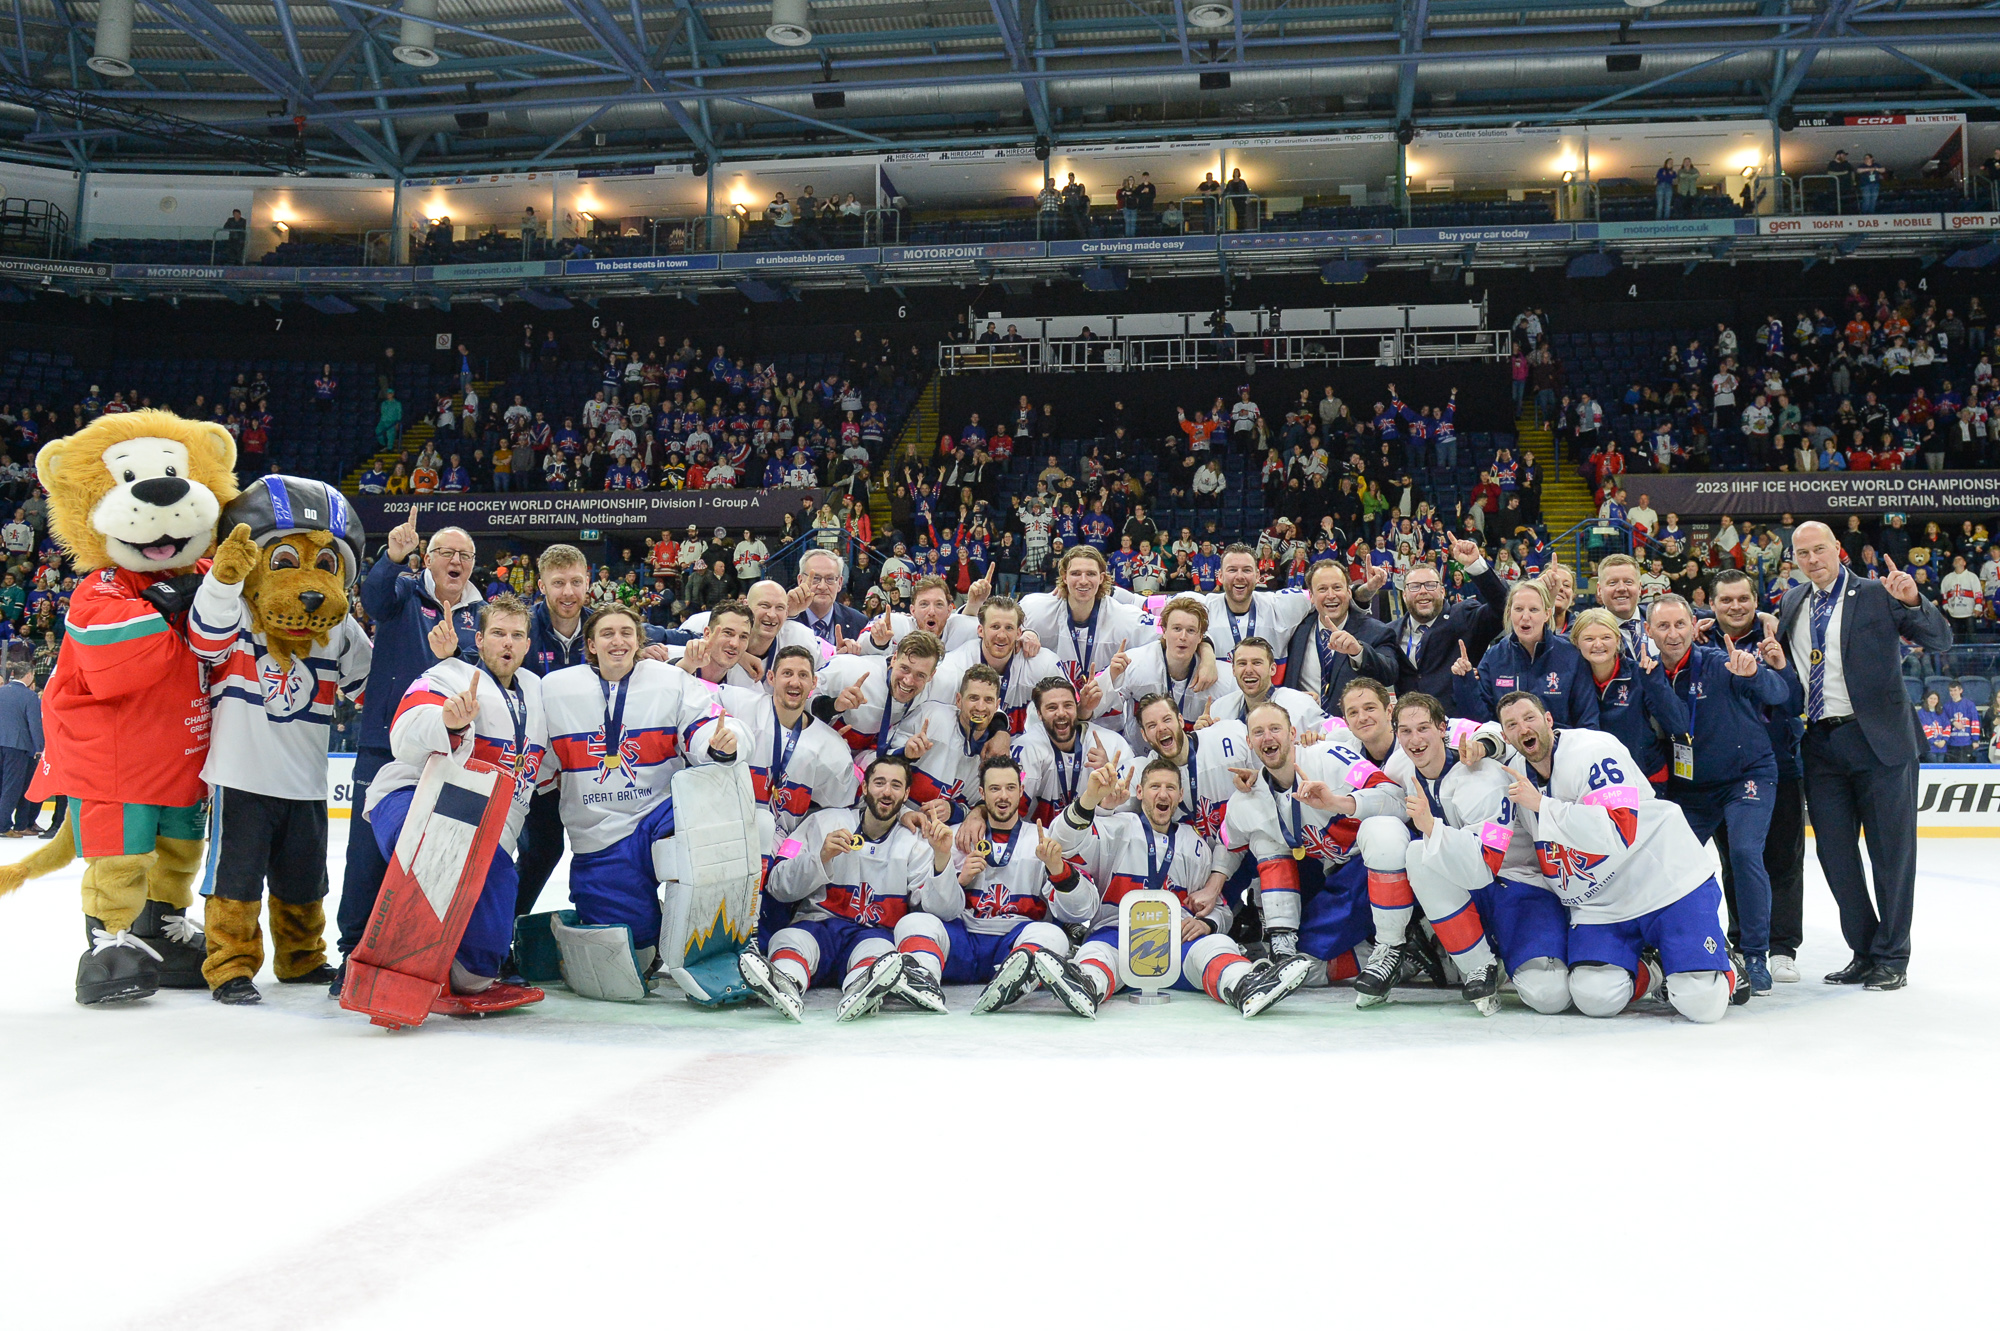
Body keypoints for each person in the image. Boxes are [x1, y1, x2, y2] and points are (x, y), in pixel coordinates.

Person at [1491, 691, 1738, 1022]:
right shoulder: (1514, 772)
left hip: (1665, 883)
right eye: (1512, 725)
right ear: (1506, 735)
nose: (1523, 728)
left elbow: (1621, 830)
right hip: (1601, 906)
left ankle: (1724, 966)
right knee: (1595, 998)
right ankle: (1655, 969)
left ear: (1548, 720)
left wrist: (1543, 806)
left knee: (1701, 1005)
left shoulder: (1594, 751)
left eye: (1530, 718)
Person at [1778, 522, 1950, 989]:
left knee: (1890, 855)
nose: (1813, 559)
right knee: (1836, 858)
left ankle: (1892, 955)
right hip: (1820, 745)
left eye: (1820, 550)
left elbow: (1940, 640)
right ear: (1794, 559)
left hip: (1880, 742)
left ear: (1838, 550)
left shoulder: (1877, 592)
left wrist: (1913, 600)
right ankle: (1863, 948)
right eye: (1803, 553)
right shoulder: (1793, 602)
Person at [363, 594, 553, 1007]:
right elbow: (404, 731)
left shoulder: (540, 692)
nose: (508, 642)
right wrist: (445, 721)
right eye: (498, 633)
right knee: (434, 844)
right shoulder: (450, 674)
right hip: (411, 793)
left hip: (490, 822)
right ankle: (390, 959)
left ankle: (466, 972)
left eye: (517, 635)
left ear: (527, 644)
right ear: (480, 640)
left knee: (492, 886)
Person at [334, 510, 483, 992]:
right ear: (427, 559)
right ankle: (352, 951)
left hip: (449, 754)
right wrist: (392, 554)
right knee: (365, 854)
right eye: (446, 553)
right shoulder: (401, 591)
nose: (456, 561)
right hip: (385, 745)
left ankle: (425, 952)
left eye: (465, 555)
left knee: (438, 854)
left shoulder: (481, 617)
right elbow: (372, 599)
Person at [1051, 757, 1316, 1016]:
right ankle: (1086, 984)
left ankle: (1246, 985)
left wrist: (1207, 923)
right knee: (1096, 954)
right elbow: (1065, 842)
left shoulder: (1195, 844)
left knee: (1217, 944)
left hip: (1176, 946)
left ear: (1180, 796)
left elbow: (1220, 909)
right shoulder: (1114, 828)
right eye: (1155, 787)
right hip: (1117, 938)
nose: (1162, 794)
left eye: (1170, 788)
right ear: (1140, 792)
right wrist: (1088, 800)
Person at [1647, 593, 1795, 995]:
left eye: (1680, 624)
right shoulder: (1647, 673)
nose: (1673, 633)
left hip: (1745, 776)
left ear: (1695, 627)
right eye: (1663, 626)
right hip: (1690, 788)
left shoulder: (1720, 661)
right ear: (1648, 631)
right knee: (1674, 865)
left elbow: (1779, 694)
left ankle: (1754, 955)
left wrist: (1754, 675)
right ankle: (1679, 947)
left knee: (1745, 853)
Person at [1393, 691, 1572, 1015]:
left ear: (1443, 728)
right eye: (1405, 731)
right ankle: (1478, 965)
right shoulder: (1402, 764)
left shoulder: (1483, 780)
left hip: (1518, 884)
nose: (1414, 739)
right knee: (1415, 852)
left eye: (1423, 728)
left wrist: (1431, 826)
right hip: (1470, 883)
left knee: (1549, 997)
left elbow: (1483, 867)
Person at [742, 755, 958, 1021]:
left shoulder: (917, 842)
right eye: (879, 783)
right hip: (818, 927)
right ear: (865, 787)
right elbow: (777, 885)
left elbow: (943, 911)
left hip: (872, 936)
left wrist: (942, 858)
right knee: (789, 941)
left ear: (906, 795)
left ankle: (863, 985)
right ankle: (785, 983)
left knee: (880, 956)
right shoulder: (822, 822)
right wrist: (820, 858)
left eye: (895, 785)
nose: (887, 792)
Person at [1220, 697, 1407, 970]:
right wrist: (1212, 892)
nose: (1267, 737)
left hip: (1370, 867)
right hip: (1329, 873)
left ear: (1292, 733)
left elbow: (1397, 800)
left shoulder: (1329, 757)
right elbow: (1229, 846)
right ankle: (1282, 941)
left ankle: (1397, 946)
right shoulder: (1247, 799)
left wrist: (1339, 803)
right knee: (1264, 839)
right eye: (1258, 732)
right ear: (1249, 742)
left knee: (1382, 832)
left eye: (1275, 728)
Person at [930, 755, 1101, 1015]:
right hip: (965, 942)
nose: (1003, 796)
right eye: (995, 788)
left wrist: (1058, 869)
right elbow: (938, 911)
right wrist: (957, 878)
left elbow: (1080, 913)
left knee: (1053, 936)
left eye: (1010, 788)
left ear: (1021, 791)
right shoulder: (955, 837)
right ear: (981, 793)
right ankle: (921, 980)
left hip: (1015, 941)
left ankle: (1013, 979)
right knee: (916, 923)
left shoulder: (1042, 839)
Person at [1710, 570, 1807, 980]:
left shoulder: (1778, 636)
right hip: (1722, 773)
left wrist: (1778, 664)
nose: (1735, 607)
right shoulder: (1699, 638)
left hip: (1780, 764)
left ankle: (1782, 946)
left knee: (1784, 859)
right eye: (1725, 600)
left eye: (1743, 599)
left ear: (1756, 600)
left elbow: (1796, 700)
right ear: (1711, 605)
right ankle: (1741, 937)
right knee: (1736, 859)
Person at [1453, 578, 1597, 727]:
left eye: (1533, 610)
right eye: (1519, 609)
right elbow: (1479, 721)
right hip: (1509, 747)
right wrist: (1465, 682)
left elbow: (1588, 720)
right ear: (1509, 613)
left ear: (1547, 614)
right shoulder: (1494, 657)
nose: (1525, 617)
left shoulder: (1570, 656)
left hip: (1560, 747)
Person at [1569, 607, 1684, 786]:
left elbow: (1678, 724)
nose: (1598, 644)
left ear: (1617, 639)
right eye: (1589, 639)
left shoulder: (1639, 674)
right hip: (1597, 779)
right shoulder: (1571, 680)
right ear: (1576, 642)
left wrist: (1654, 682)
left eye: (1606, 637)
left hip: (1646, 776)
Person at [1386, 534, 1507, 698]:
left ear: (1442, 591)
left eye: (1430, 585)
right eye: (1414, 586)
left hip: (1457, 720)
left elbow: (1503, 608)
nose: (1423, 591)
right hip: (1409, 721)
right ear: (1405, 595)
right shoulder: (1390, 632)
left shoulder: (1464, 617)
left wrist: (1475, 565)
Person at [1283, 559, 1398, 721]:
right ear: (1311, 596)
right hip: (1306, 731)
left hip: (1355, 731)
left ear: (1349, 592)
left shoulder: (1376, 631)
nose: (1331, 595)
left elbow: (1389, 673)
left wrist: (1358, 652)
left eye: (1337, 588)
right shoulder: (1295, 630)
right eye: (1322, 589)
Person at [1201, 635, 1324, 731]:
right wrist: (1201, 737)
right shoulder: (1219, 708)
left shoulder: (1300, 703)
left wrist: (1319, 738)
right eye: (1242, 663)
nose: (1248, 670)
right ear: (1233, 670)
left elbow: (1336, 727)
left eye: (1256, 663)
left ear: (1273, 669)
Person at [0, 664, 43, 836]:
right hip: (17, 746)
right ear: (28, 675)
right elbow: (34, 724)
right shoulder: (30, 696)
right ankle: (3, 825)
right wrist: (39, 747)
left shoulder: (1, 691)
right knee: (12, 787)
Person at [793, 547, 867, 643]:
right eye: (815, 578)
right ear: (800, 580)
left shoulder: (859, 622)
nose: (822, 586)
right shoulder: (784, 621)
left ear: (840, 583)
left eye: (830, 579)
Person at [1943, 680, 1983, 762]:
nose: (1953, 693)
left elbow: (1975, 723)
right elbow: (1943, 722)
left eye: (1955, 690)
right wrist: (1953, 722)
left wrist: (1975, 740)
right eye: (1951, 690)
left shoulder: (1969, 705)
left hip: (1966, 743)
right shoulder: (1946, 706)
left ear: (1961, 690)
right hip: (1952, 743)